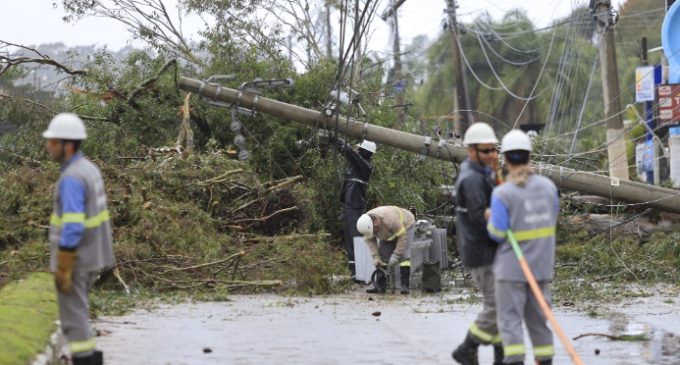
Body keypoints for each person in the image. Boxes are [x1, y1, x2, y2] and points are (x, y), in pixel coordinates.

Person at [44, 113, 114, 365]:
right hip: (92, 255)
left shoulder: (72, 178)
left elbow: (73, 224)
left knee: (73, 320)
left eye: (53, 142)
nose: (48, 146)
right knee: (80, 313)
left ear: (68, 145)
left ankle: (85, 360)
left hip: (76, 257)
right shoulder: (89, 169)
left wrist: (64, 262)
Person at [487, 130, 559, 365]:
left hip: (511, 270)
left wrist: (490, 218)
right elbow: (552, 216)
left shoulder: (503, 193)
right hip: (541, 267)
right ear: (530, 156)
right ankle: (545, 360)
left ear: (505, 159)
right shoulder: (548, 187)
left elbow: (497, 234)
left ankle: (516, 360)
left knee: (510, 321)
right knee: (539, 320)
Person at [452, 122, 504, 365]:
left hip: (487, 251)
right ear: (471, 151)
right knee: (498, 306)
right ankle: (468, 346)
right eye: (487, 151)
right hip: (482, 253)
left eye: (494, 150)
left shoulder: (482, 173)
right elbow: (479, 217)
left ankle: (502, 356)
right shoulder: (471, 178)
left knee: (500, 306)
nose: (492, 155)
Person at [332, 137, 376, 281]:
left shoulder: (365, 167)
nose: (357, 150)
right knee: (351, 240)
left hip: (355, 207)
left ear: (364, 152)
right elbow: (351, 155)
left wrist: (337, 141)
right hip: (350, 206)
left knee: (355, 240)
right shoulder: (356, 167)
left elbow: (351, 153)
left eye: (359, 149)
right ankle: (355, 272)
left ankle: (358, 273)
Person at [356, 205, 415, 294]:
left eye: (375, 230)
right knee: (382, 257)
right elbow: (371, 241)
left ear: (375, 221)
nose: (375, 233)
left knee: (404, 256)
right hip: (388, 232)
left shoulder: (390, 220)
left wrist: (396, 255)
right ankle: (380, 286)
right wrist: (376, 257)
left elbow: (402, 237)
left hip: (406, 225)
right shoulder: (366, 223)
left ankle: (404, 286)